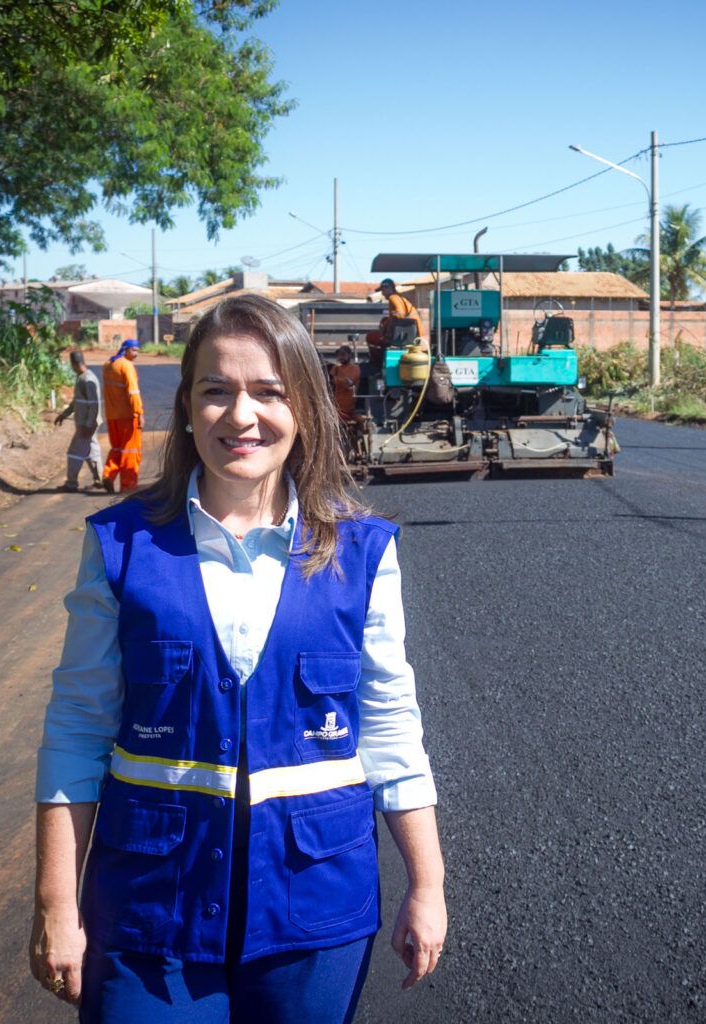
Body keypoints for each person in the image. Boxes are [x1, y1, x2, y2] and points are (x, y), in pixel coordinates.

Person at [30, 294, 446, 1023]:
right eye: (216, 390)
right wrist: (57, 904)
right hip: (148, 916)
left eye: (269, 392)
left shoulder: (364, 551)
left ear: (306, 409)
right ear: (187, 406)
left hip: (314, 916)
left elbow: (390, 726)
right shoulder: (120, 545)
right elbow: (77, 730)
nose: (241, 415)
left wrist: (428, 884)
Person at [55, 349, 104, 491]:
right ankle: (100, 480)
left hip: (87, 425)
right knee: (91, 451)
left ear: (74, 364)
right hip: (87, 424)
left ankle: (71, 484)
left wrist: (88, 426)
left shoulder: (87, 379)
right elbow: (77, 402)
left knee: (74, 452)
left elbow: (94, 405)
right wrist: (64, 414)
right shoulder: (82, 377)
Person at [102, 338, 143, 493]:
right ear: (125, 350)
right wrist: (138, 413)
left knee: (117, 448)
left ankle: (108, 474)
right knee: (130, 451)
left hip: (112, 417)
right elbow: (133, 392)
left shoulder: (107, 365)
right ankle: (128, 485)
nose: (136, 354)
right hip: (127, 417)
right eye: (134, 350)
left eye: (137, 350)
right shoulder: (126, 366)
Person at [327, 344, 361, 425]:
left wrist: (335, 379)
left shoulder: (354, 369)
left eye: (343, 355)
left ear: (349, 356)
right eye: (339, 355)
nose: (341, 357)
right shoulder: (336, 368)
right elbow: (328, 380)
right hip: (336, 405)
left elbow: (348, 383)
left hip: (347, 405)